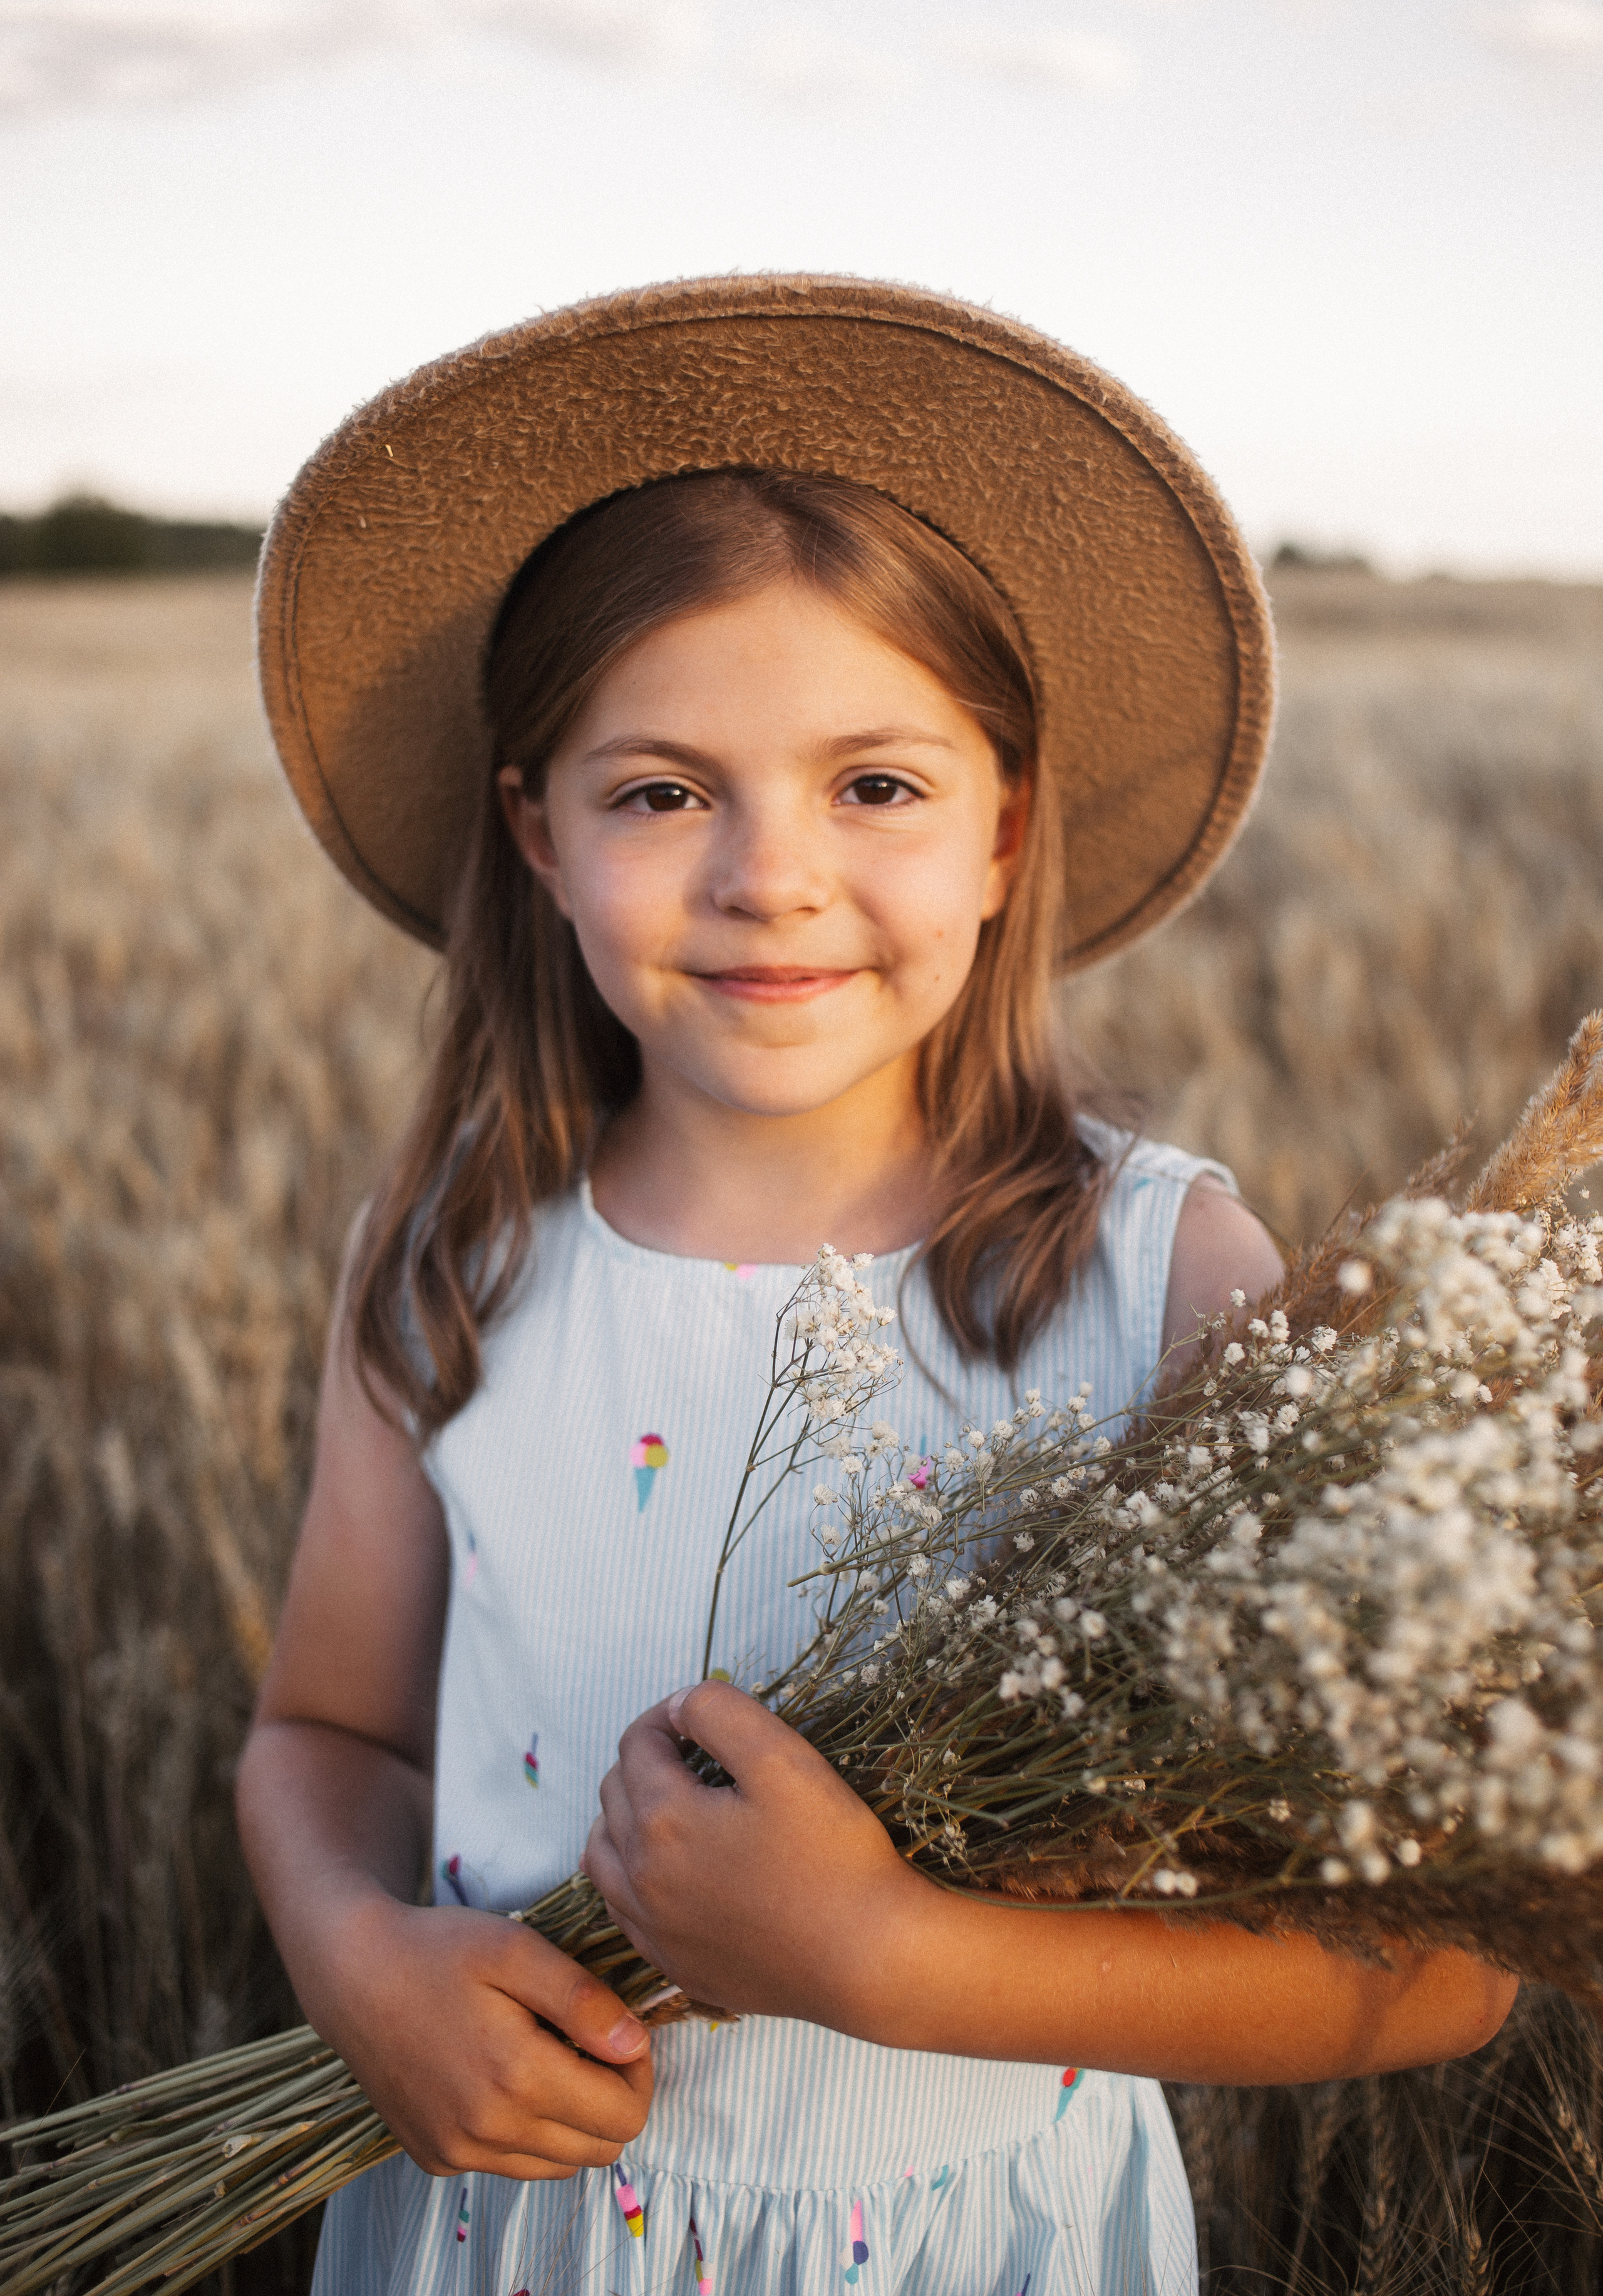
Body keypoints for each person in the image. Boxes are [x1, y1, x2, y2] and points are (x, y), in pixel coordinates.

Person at [237, 278, 1515, 2295]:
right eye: (661, 792)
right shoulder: (450, 1262)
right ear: (539, 835)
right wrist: (356, 1958)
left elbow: (1434, 1970)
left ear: (1007, 828)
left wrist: (883, 1956)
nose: (773, 875)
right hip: (507, 2232)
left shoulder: (1161, 1283)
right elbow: (329, 1730)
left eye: (879, 786)